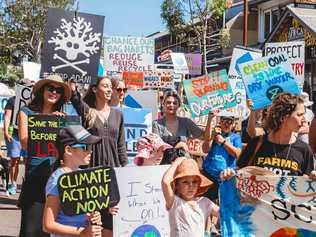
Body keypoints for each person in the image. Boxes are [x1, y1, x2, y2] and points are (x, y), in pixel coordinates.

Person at [70, 76, 127, 236]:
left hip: (112, 175)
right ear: (95, 89)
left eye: (111, 87)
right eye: (105, 86)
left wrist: (126, 172)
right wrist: (72, 87)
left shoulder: (118, 115)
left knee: (110, 224)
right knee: (93, 223)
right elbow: (76, 101)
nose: (110, 90)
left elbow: (121, 146)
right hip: (91, 175)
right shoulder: (88, 112)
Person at [18, 75, 71, 237]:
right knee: (31, 229)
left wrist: (63, 125)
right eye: (51, 88)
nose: (54, 92)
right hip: (35, 175)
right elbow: (25, 142)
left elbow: (69, 147)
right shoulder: (26, 112)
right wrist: (47, 123)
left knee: (51, 228)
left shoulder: (63, 117)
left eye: (59, 90)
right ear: (42, 90)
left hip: (57, 177)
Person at [43, 125, 116, 237]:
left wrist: (93, 216)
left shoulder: (82, 175)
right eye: (85, 147)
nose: (90, 151)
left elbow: (82, 211)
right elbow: (48, 225)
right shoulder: (57, 180)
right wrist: (83, 232)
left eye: (91, 147)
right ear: (68, 150)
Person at [238, 93, 315, 177]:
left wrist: (312, 178)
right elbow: (239, 174)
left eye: (304, 114)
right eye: (299, 115)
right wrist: (228, 174)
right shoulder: (257, 143)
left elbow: (308, 186)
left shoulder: (304, 150)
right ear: (283, 117)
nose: (304, 120)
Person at [161, 157, 234, 237]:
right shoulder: (175, 202)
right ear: (177, 185)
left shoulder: (205, 202)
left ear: (199, 185)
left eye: (194, 181)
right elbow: (165, 182)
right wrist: (177, 163)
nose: (191, 185)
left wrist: (228, 185)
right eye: (185, 182)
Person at [202, 111, 242, 201]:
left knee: (224, 205)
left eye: (230, 122)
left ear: (233, 125)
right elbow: (205, 149)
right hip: (209, 175)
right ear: (220, 122)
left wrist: (223, 142)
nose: (227, 124)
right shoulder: (214, 135)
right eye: (224, 121)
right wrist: (210, 122)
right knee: (206, 203)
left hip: (226, 177)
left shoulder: (236, 137)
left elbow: (237, 154)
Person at [153, 90, 204, 154]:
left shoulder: (186, 122)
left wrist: (211, 118)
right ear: (163, 104)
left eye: (175, 103)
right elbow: (156, 146)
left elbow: (203, 136)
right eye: (168, 102)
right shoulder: (156, 124)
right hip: (164, 162)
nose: (171, 105)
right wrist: (178, 146)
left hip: (184, 161)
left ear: (179, 105)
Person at [3, 96, 21, 195]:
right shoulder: (12, 100)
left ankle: (27, 184)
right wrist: (6, 131)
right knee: (14, 160)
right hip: (14, 134)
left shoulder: (33, 99)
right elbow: (7, 116)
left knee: (28, 161)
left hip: (29, 134)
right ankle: (13, 183)